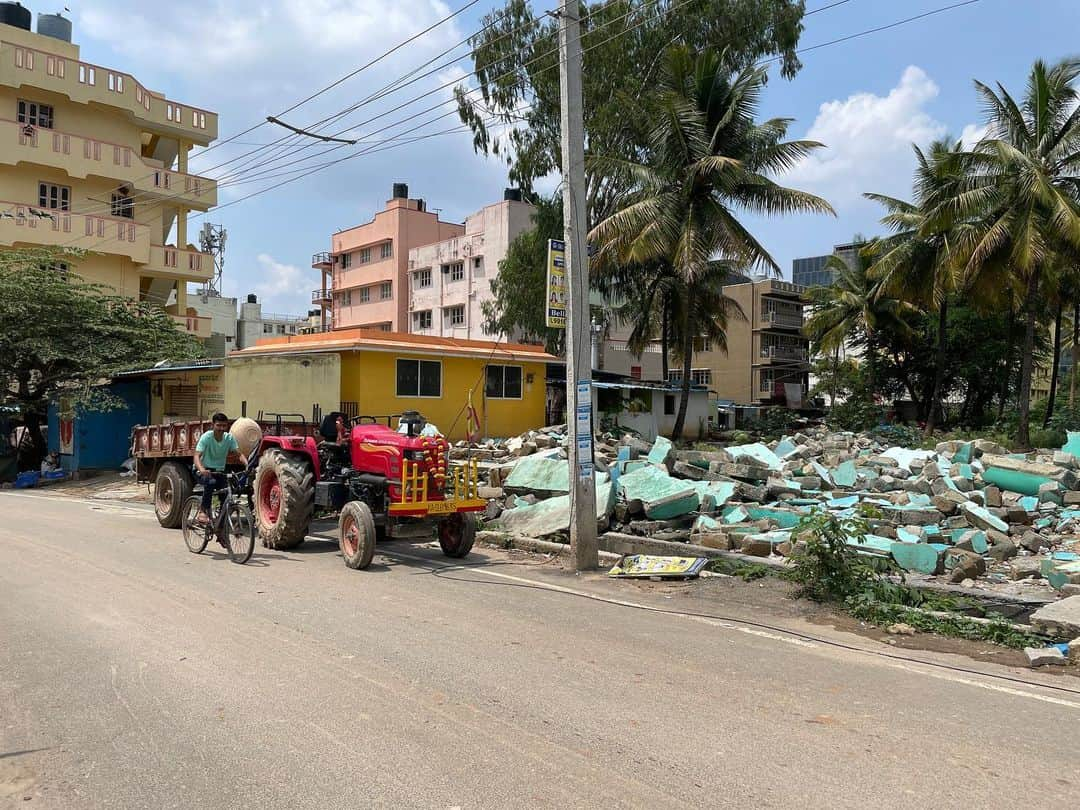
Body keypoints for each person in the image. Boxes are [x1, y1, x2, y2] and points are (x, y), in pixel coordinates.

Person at [194, 413, 248, 523]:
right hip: (204, 470)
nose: (221, 428)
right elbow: (196, 456)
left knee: (228, 490)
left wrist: (247, 465)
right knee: (210, 482)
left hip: (220, 471)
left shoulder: (229, 438)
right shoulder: (206, 437)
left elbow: (239, 455)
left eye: (224, 426)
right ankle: (202, 512)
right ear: (212, 425)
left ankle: (221, 524)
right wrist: (202, 469)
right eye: (218, 425)